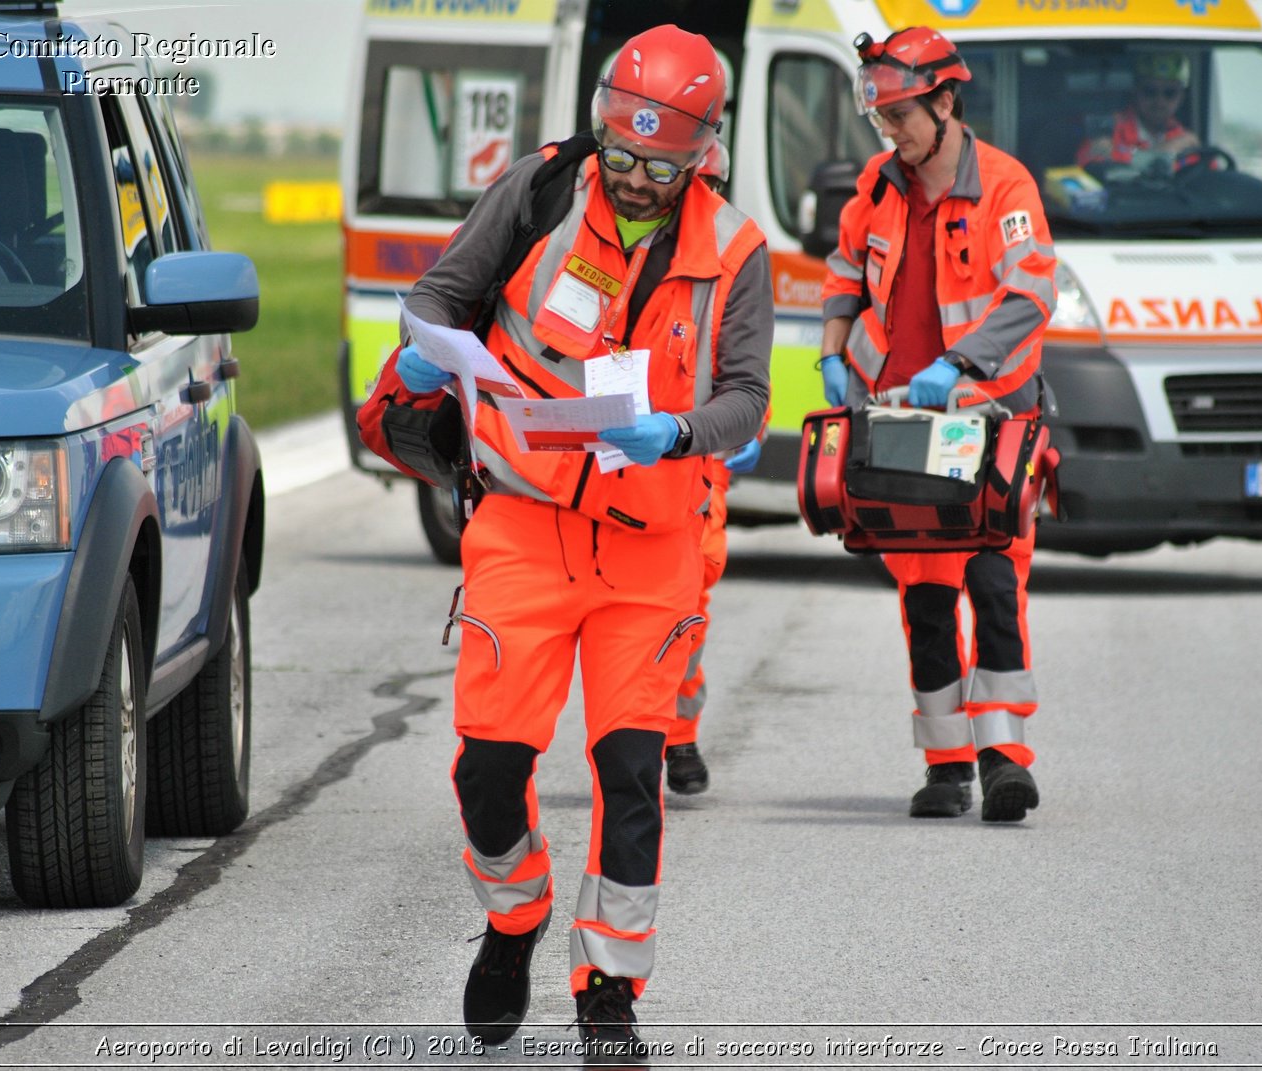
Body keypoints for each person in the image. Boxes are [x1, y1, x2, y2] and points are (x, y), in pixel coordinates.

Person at [390, 24, 771, 1061]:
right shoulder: (539, 191)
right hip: (521, 526)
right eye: (623, 154)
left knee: (631, 775)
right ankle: (514, 919)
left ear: (703, 154)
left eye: (663, 162)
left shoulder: (734, 251)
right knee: (486, 771)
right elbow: (436, 299)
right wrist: (426, 361)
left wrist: (680, 434)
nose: (637, 179)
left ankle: (608, 986)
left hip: (651, 545)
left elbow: (748, 402)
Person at [818, 25, 1055, 822]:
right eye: (882, 118)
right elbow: (846, 268)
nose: (891, 132)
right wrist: (832, 350)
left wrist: (961, 365)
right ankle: (947, 764)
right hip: (900, 420)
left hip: (988, 422)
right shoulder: (878, 185)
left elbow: (1030, 297)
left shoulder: (1006, 189)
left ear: (946, 103)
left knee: (993, 583)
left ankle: (1004, 761)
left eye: (901, 117)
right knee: (924, 593)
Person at [663, 140, 764, 797]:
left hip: (700, 469)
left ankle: (678, 736)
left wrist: (743, 426)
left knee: (687, 607)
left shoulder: (731, 260)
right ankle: (649, 736)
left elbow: (743, 366)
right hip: (637, 460)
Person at [1076, 51, 1199, 168]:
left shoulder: (1183, 139)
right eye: (1150, 92)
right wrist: (1161, 153)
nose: (1159, 101)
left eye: (1169, 93)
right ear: (1135, 92)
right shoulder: (1108, 128)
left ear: (1181, 97)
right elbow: (1085, 167)